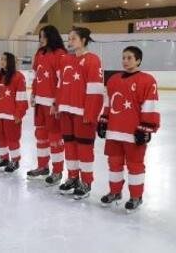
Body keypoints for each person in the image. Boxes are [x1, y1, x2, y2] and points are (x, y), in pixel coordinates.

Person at [97, 46, 160, 212]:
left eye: (129, 58)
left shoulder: (147, 80)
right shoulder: (113, 80)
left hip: (133, 132)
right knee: (114, 163)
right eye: (123, 57)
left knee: (135, 165)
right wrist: (104, 120)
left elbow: (150, 106)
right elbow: (108, 103)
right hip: (114, 131)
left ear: (138, 60)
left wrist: (146, 128)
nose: (125, 61)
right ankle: (115, 192)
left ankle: (136, 196)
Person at [54, 27, 104, 199]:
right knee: (69, 146)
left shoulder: (93, 60)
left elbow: (96, 91)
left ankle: (86, 181)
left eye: (73, 38)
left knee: (84, 148)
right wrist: (57, 104)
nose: (70, 41)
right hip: (66, 111)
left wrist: (91, 113)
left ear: (83, 40)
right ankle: (73, 177)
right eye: (69, 38)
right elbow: (60, 84)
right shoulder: (65, 59)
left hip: (83, 113)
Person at [28, 25, 67, 184]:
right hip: (39, 103)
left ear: (52, 36)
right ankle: (42, 166)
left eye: (44, 36)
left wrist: (56, 102)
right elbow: (36, 77)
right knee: (41, 136)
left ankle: (57, 170)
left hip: (52, 103)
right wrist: (33, 93)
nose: (41, 39)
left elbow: (62, 81)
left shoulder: (60, 54)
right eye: (40, 36)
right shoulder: (39, 53)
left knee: (54, 138)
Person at [0, 52, 28, 173]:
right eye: (0, 59)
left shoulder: (18, 76)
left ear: (10, 61)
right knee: (0, 137)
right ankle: (4, 158)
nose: (1, 61)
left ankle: (15, 160)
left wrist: (19, 113)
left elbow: (22, 98)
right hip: (0, 113)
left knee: (12, 138)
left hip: (12, 115)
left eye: (4, 59)